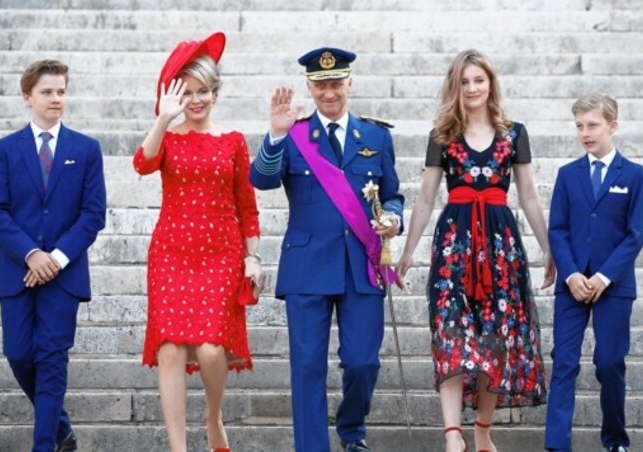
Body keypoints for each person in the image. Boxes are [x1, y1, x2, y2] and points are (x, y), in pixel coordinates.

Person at [394, 49, 555, 452]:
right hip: (454, 246)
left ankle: (482, 428)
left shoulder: (514, 133)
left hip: (501, 247)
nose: (472, 88)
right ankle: (452, 435)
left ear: (490, 83)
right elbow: (426, 199)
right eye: (464, 82)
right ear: (455, 86)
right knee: (450, 333)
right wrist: (408, 251)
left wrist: (551, 250)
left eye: (478, 80)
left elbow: (530, 198)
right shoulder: (442, 134)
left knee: (493, 339)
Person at [250, 46, 404, 452]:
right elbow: (261, 180)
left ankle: (352, 430)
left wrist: (392, 219)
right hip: (307, 267)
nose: (329, 92)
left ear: (349, 83)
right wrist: (276, 134)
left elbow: (393, 195)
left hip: (361, 265)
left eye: (336, 83)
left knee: (362, 362)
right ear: (310, 86)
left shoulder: (375, 135)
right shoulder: (294, 134)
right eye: (320, 84)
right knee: (307, 368)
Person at [133, 31, 261, 452]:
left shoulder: (234, 141)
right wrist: (162, 117)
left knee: (209, 349)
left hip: (220, 253)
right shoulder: (167, 138)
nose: (196, 99)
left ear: (215, 91)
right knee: (169, 349)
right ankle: (178, 447)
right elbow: (142, 164)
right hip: (171, 252)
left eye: (203, 90)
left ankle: (212, 415)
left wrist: (252, 258)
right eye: (186, 93)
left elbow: (247, 205)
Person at [0, 59, 106, 452]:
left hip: (64, 276)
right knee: (19, 354)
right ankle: (61, 428)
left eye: (62, 91)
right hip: (17, 273)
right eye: (48, 92)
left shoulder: (86, 149)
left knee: (52, 360)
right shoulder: (4, 150)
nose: (57, 98)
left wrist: (56, 258)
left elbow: (93, 214)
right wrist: (32, 254)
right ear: (27, 97)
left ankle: (45, 445)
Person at [544, 93, 643, 452]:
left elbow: (635, 235)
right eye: (579, 126)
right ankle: (557, 445)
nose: (585, 133)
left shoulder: (634, 175)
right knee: (564, 363)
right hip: (572, 284)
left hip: (613, 286)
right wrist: (570, 274)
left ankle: (615, 440)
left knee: (609, 363)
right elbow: (556, 229)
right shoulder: (567, 175)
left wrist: (604, 277)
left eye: (592, 125)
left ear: (612, 125)